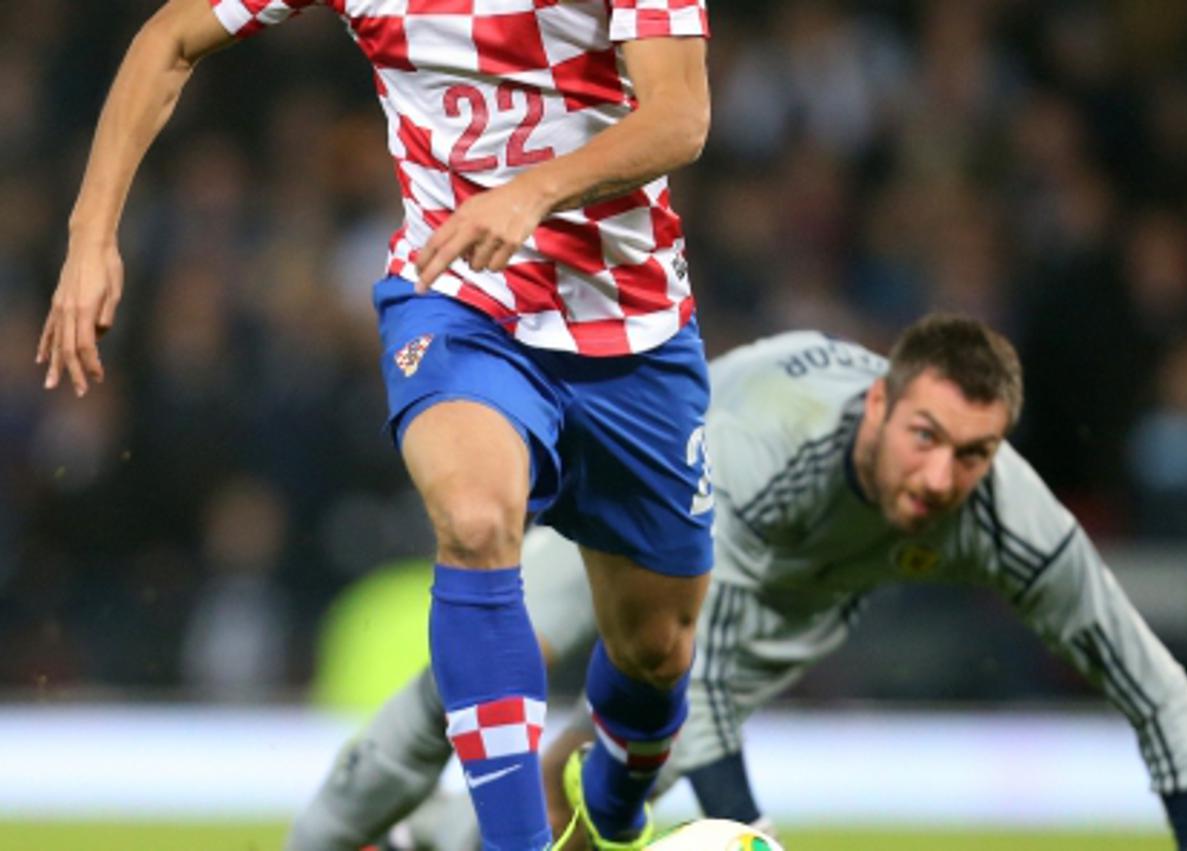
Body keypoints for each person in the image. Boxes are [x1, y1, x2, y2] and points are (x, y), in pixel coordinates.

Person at [36, 1, 714, 849]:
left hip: (634, 330)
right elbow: (167, 38)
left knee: (658, 649)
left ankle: (616, 799)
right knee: (474, 519)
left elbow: (680, 115)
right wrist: (91, 235)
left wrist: (532, 193)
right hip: (460, 299)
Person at [293, 316, 1187, 851]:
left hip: (782, 602)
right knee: (485, 675)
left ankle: (428, 842)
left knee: (595, 793)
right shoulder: (769, 452)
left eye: (975, 453)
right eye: (926, 438)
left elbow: (1148, 681)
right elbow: (677, 674)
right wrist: (746, 824)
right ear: (878, 405)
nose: (945, 477)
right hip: (639, 502)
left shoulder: (1003, 512)